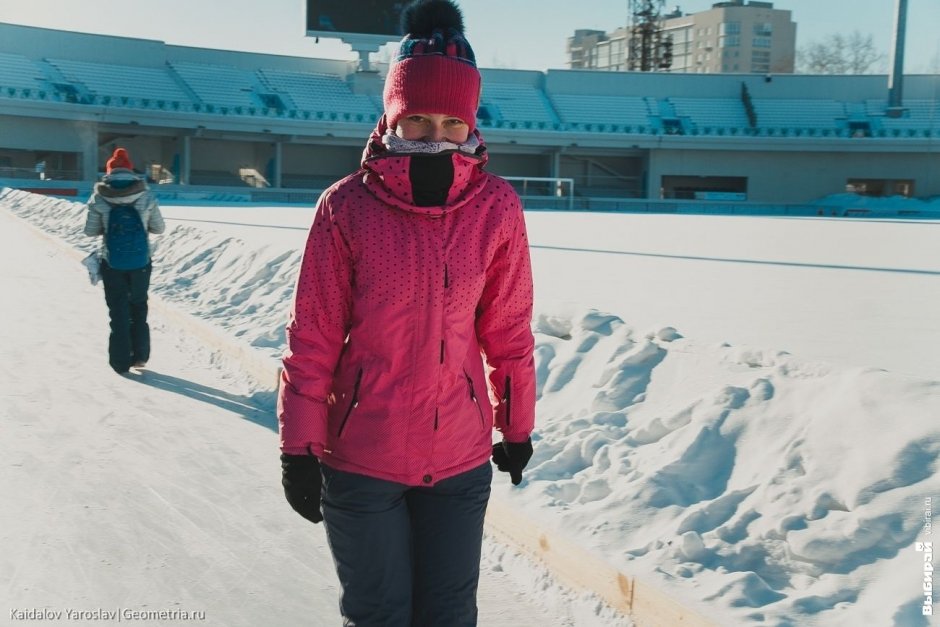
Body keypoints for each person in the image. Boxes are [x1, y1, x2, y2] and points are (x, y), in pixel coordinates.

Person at [277, 1, 536, 624]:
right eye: (416, 119)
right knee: (379, 614)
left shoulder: (496, 207)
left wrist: (517, 425)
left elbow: (507, 330)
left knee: (449, 615)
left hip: (460, 461)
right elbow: (311, 336)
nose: (434, 135)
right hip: (363, 457)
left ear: (470, 121)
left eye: (451, 121)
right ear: (392, 115)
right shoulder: (347, 206)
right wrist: (297, 446)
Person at [84, 147, 165, 374]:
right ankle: (140, 356)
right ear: (130, 171)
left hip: (112, 263)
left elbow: (90, 231)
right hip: (141, 262)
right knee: (138, 306)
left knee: (118, 310)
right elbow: (159, 228)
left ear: (109, 172)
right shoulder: (146, 195)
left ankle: (120, 362)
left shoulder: (100, 197)